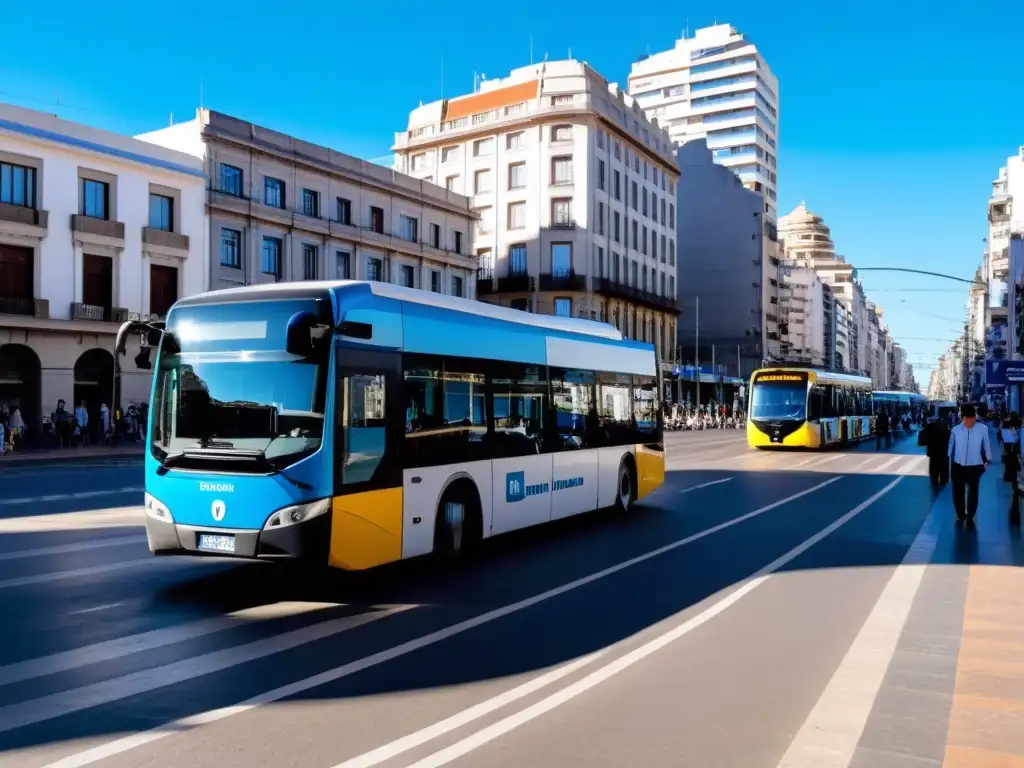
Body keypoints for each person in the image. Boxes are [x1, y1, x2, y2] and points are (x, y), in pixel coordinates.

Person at [948, 404, 992, 522]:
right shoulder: (955, 430)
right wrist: (949, 459)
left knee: (973, 490)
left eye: (970, 418)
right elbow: (951, 446)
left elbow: (986, 444)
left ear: (975, 417)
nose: (968, 421)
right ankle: (960, 513)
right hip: (958, 464)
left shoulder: (983, 429)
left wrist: (988, 458)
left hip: (975, 465)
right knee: (958, 490)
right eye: (965, 418)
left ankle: (971, 513)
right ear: (962, 418)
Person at [922, 416, 951, 486]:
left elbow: (922, 441)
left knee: (934, 474)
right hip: (944, 454)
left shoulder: (929, 429)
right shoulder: (946, 430)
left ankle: (935, 483)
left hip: (933, 455)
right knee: (944, 474)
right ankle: (943, 484)